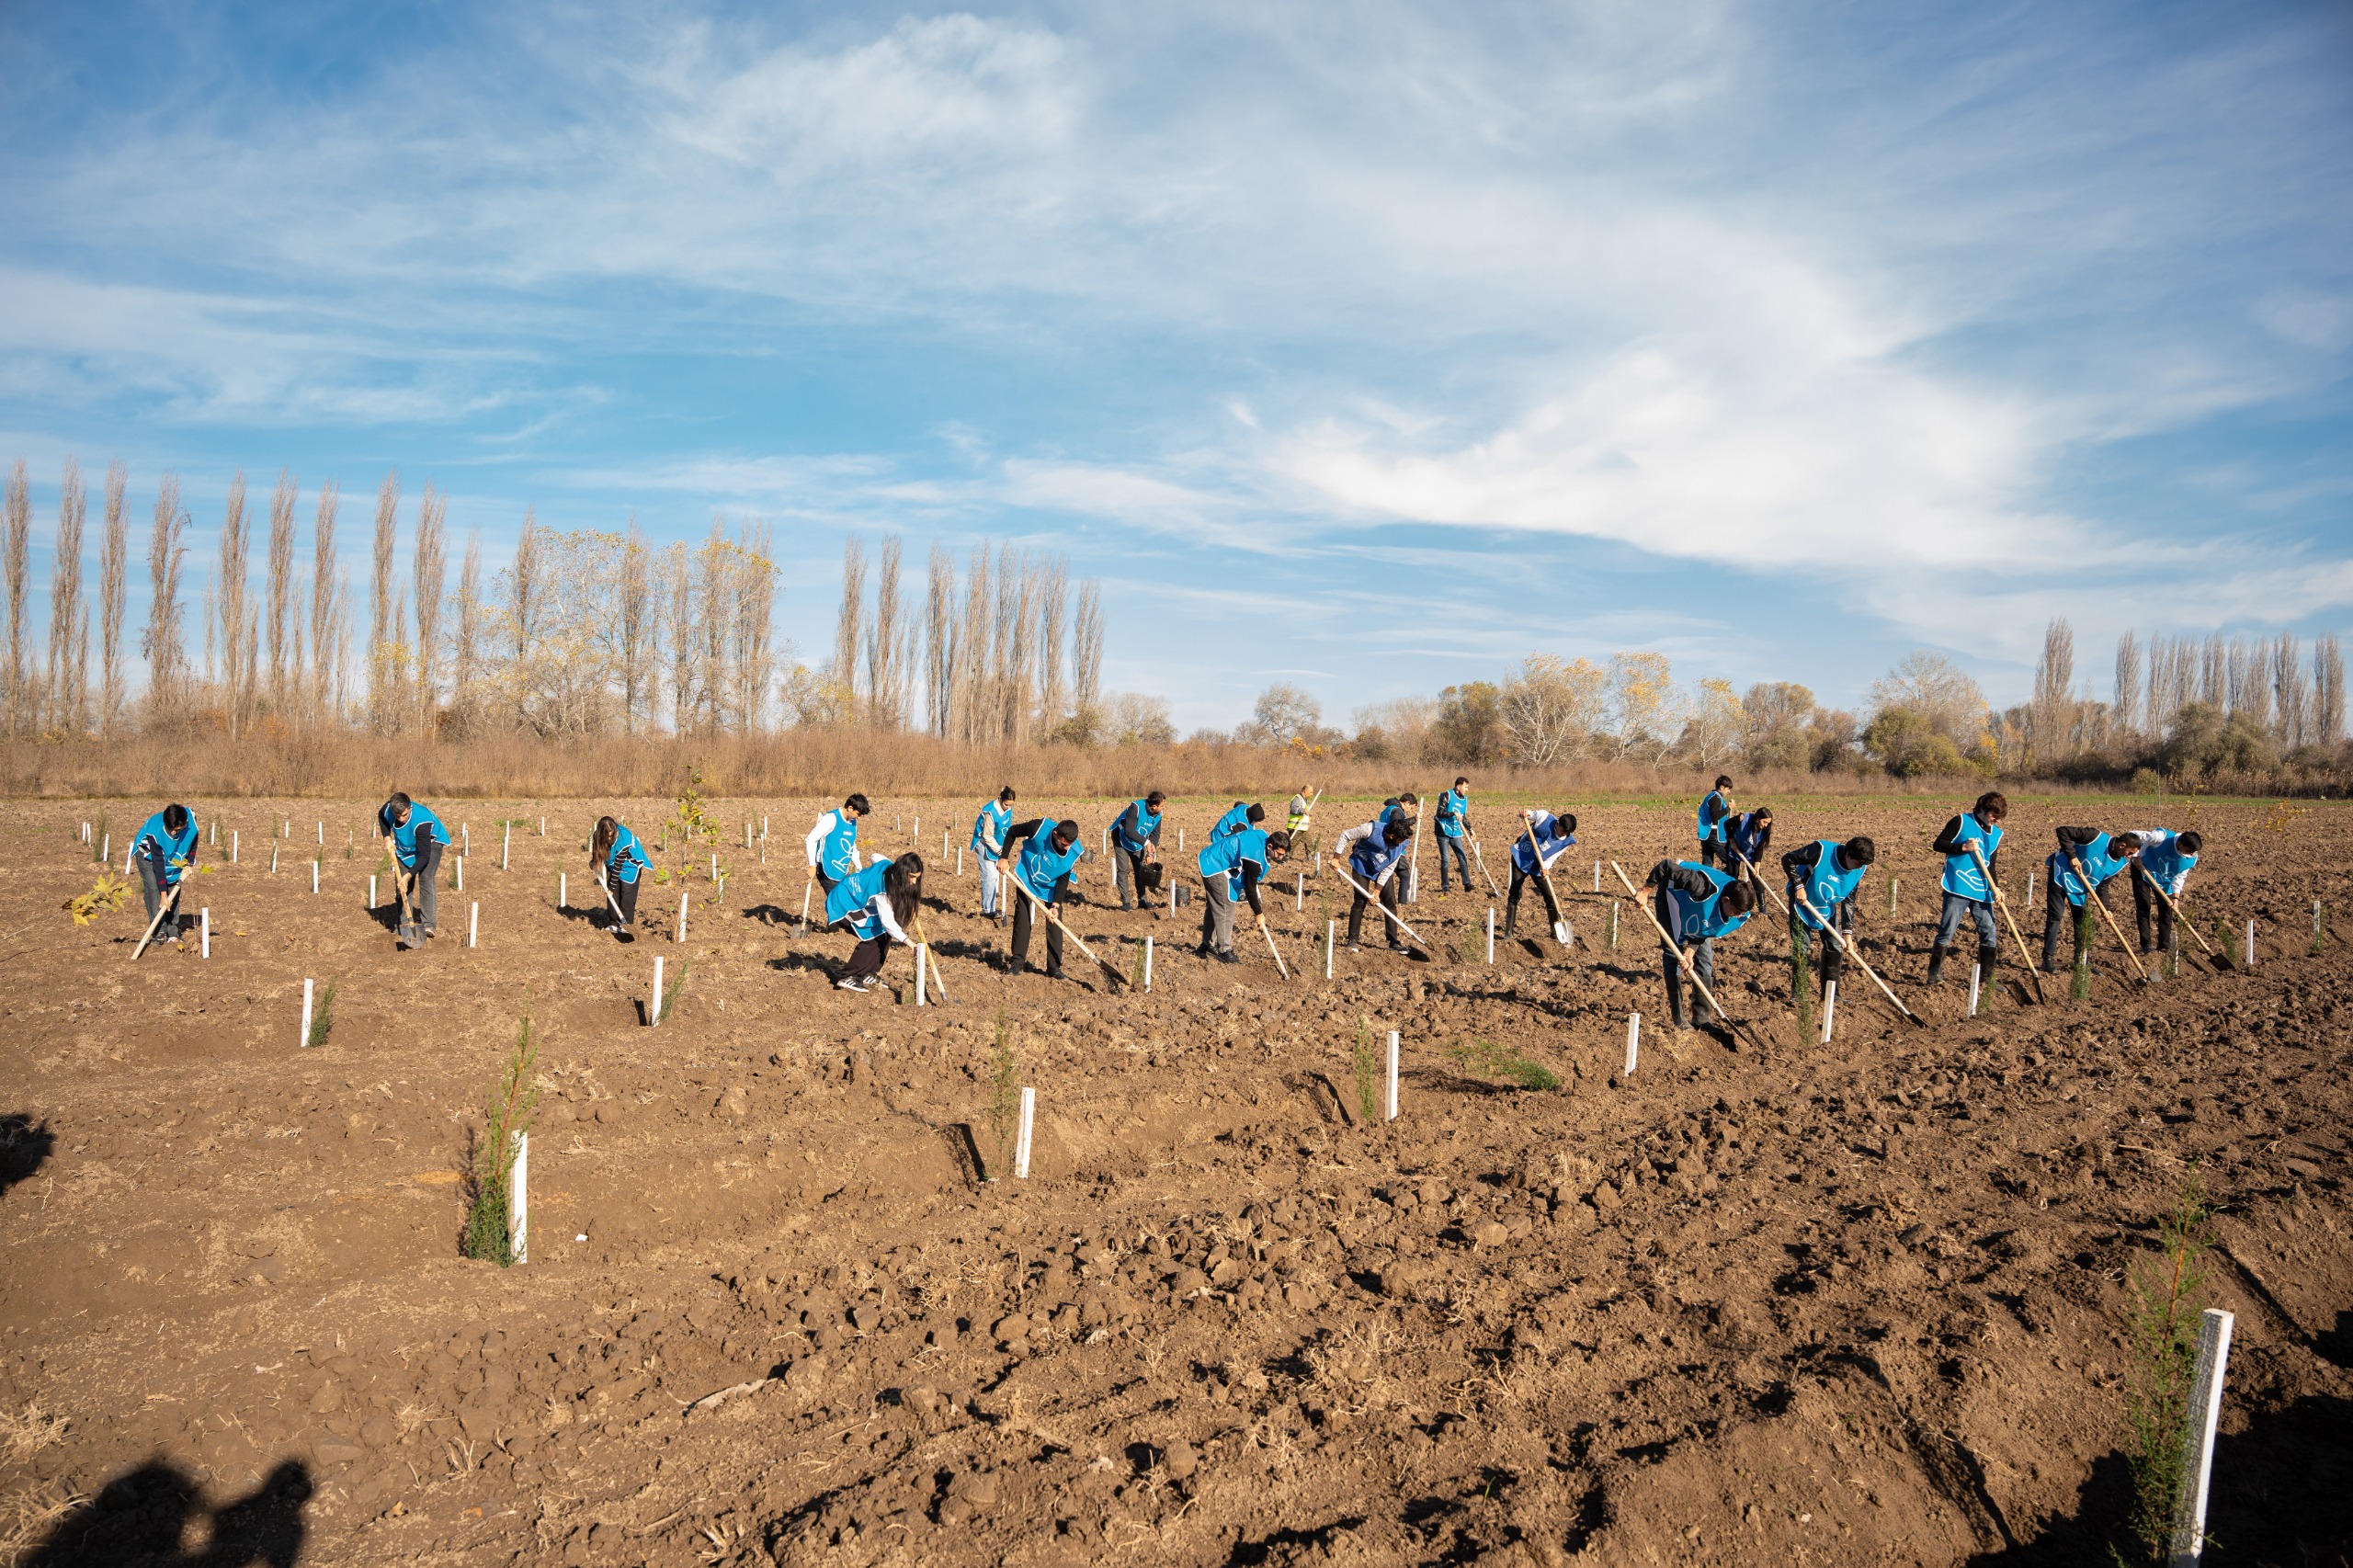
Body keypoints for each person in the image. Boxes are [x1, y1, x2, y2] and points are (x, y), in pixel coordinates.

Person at [1644, 858, 1759, 1031]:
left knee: (1705, 960)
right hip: (1672, 897)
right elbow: (1666, 866)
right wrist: (1645, 891)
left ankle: (1701, 1018)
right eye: (1735, 912)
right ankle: (1679, 1019)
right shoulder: (1700, 886)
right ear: (1726, 900)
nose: (1736, 916)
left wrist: (1690, 952)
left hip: (1699, 909)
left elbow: (1705, 930)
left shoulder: (1737, 906)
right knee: (1673, 953)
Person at [1781, 835, 1877, 1005]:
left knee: (1834, 946)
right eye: (1858, 863)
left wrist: (1848, 933)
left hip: (1826, 906)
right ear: (1848, 855)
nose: (1859, 868)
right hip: (1802, 902)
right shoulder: (1821, 851)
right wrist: (1798, 885)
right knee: (1801, 946)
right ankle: (1798, 994)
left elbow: (1849, 900)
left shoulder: (1858, 870)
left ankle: (1832, 995)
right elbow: (1788, 859)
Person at [1927, 791, 2006, 986]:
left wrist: (1996, 888)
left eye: (1999, 817)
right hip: (1958, 886)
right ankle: (1934, 974)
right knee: (1947, 929)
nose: (1995, 820)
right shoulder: (1961, 821)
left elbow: (1991, 864)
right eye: (1993, 815)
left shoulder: (1995, 834)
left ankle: (1987, 977)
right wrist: (1963, 848)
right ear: (1982, 809)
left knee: (1989, 930)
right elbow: (1938, 844)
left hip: (1982, 888)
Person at [2041, 825, 2138, 973]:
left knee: (2083, 922)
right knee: (2056, 916)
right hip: (2061, 874)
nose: (2129, 856)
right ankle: (2047, 959)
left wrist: (2107, 908)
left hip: (2080, 888)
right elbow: (2062, 830)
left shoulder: (2120, 863)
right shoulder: (2095, 837)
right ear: (2122, 845)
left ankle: (2081, 960)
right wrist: (2072, 856)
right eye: (2130, 852)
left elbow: (2103, 886)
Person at [1000, 817, 1086, 978]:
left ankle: (1054, 967)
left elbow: (1063, 878)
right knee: (1023, 914)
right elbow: (1012, 832)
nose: (1066, 847)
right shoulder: (1038, 828)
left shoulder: (1073, 852)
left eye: (1069, 845)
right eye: (1063, 843)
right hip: (1028, 873)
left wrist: (1056, 905)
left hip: (1051, 882)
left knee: (1055, 919)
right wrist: (1004, 858)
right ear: (1055, 834)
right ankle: (1017, 963)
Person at [825, 853, 923, 994]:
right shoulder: (883, 889)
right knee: (873, 935)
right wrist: (909, 943)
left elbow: (874, 856)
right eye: (912, 877)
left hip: (853, 899)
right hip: (842, 903)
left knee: (883, 933)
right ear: (902, 872)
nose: (914, 882)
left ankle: (868, 973)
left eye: (916, 878)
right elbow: (887, 922)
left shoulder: (888, 865)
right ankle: (850, 976)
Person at [1197, 825, 1290, 963]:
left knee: (1215, 905)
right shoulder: (1254, 861)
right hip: (1214, 864)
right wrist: (1258, 913)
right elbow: (1250, 889)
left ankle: (1206, 945)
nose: (1281, 858)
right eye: (1279, 854)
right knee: (1225, 906)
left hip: (1211, 857)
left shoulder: (1263, 836)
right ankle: (1224, 950)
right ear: (1270, 846)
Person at [1333, 815, 1414, 950]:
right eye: (1400, 840)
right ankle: (1352, 940)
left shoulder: (1400, 846)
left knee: (1390, 903)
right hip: (1361, 865)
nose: (1401, 844)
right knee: (1360, 901)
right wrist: (1336, 858)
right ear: (1392, 836)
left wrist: (1377, 891)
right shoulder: (1370, 829)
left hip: (1381, 869)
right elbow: (1345, 835)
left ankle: (1393, 941)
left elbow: (1389, 869)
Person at [377, 793, 450, 938]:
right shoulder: (388, 809)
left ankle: (429, 924)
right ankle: (405, 924)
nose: (401, 818)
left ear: (410, 808)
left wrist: (408, 876)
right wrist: (387, 837)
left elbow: (424, 857)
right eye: (397, 815)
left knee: (426, 878)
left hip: (431, 842)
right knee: (402, 885)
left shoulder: (422, 821)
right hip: (406, 846)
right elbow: (381, 816)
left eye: (404, 815)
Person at [2125, 828, 2203, 958]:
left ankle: (2164, 945)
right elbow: (2136, 836)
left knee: (2167, 910)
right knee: (2144, 906)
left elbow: (2179, 877)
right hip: (2142, 871)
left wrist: (2176, 897)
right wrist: (2136, 856)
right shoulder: (2161, 837)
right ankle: (2146, 945)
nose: (2190, 854)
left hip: (2164, 879)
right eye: (2188, 851)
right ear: (2180, 844)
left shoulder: (2190, 858)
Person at [131, 802, 199, 945]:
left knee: (174, 888)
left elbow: (193, 839)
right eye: (171, 830)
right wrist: (163, 894)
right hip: (148, 857)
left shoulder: (191, 819)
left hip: (173, 853)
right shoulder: (154, 831)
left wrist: (189, 861)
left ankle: (172, 930)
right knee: (155, 889)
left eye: (177, 830)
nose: (174, 832)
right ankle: (159, 931)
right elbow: (158, 864)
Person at [1505, 808, 1576, 938]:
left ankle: (1555, 933)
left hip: (1539, 866)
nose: (1563, 835)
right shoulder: (1544, 817)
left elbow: (1552, 857)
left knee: (1550, 896)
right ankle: (1508, 932)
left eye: (1566, 833)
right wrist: (1525, 814)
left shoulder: (1566, 841)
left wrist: (1546, 868)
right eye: (1562, 831)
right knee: (1515, 893)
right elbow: (1530, 815)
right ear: (1557, 823)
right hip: (1522, 857)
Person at [590, 815, 654, 938]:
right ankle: (613, 923)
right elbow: (596, 850)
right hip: (612, 864)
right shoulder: (597, 836)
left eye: (611, 835)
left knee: (627, 897)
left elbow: (619, 865)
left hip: (630, 866)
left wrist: (611, 887)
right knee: (612, 896)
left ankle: (626, 925)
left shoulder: (624, 838)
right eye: (606, 836)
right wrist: (593, 861)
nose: (609, 838)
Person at [803, 794, 870, 898]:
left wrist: (859, 867)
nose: (859, 817)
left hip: (842, 871)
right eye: (858, 814)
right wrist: (812, 865)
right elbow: (811, 839)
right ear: (850, 808)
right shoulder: (831, 818)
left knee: (850, 901)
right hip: (826, 869)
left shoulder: (852, 822)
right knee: (839, 904)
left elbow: (851, 845)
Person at [1110, 791, 1165, 913]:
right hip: (1121, 838)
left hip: (1138, 840)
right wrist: (1146, 843)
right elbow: (1128, 831)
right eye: (1162, 806)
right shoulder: (1135, 808)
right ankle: (1126, 903)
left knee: (1140, 869)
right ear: (1154, 806)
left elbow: (1155, 835)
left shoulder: (1159, 814)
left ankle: (1143, 901)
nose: (1163, 808)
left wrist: (1150, 853)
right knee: (1123, 869)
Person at [970, 787, 1017, 925]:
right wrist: (1002, 853)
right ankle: (987, 910)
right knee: (989, 876)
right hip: (984, 843)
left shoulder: (1008, 808)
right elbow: (987, 835)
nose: (1008, 808)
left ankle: (992, 904)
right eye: (1006, 804)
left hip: (998, 844)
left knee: (995, 876)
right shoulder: (990, 812)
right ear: (1000, 799)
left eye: (1011, 805)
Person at [1434, 778, 1476, 893]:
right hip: (1442, 830)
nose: (1467, 789)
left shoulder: (1464, 800)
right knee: (1446, 859)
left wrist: (1470, 829)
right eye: (1465, 787)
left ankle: (1467, 884)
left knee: (1462, 856)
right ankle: (1445, 886)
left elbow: (1463, 817)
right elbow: (1440, 812)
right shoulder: (1446, 795)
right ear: (1458, 787)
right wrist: (1453, 813)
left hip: (1455, 831)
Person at [1722, 806, 1775, 886]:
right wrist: (1732, 842)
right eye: (1764, 822)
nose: (1766, 825)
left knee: (1756, 879)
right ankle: (1729, 896)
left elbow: (1759, 848)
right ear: (1758, 819)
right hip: (1734, 849)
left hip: (1750, 853)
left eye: (1768, 823)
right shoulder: (1743, 819)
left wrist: (1757, 866)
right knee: (1733, 876)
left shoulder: (1764, 831)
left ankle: (1761, 898)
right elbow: (1726, 824)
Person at [1696, 776, 1735, 869]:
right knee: (1730, 860)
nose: (1729, 791)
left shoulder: (1711, 796)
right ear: (1721, 787)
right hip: (1713, 835)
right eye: (1728, 789)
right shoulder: (1716, 798)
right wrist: (1729, 808)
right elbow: (1715, 817)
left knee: (1707, 864)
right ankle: (1724, 878)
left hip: (1706, 834)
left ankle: (1705, 881)